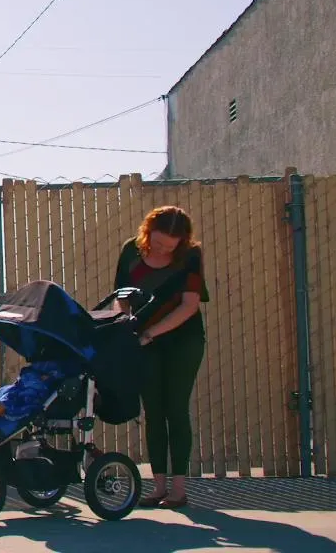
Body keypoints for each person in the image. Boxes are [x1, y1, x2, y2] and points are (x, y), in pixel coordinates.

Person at [113, 205, 209, 509]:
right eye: (158, 243)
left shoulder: (190, 255)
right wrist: (125, 326)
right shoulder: (131, 251)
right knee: (153, 411)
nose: (162, 249)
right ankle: (158, 487)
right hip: (143, 341)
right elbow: (121, 297)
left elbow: (189, 305)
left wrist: (151, 333)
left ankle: (178, 490)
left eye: (169, 246)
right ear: (148, 231)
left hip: (183, 340)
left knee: (176, 409)